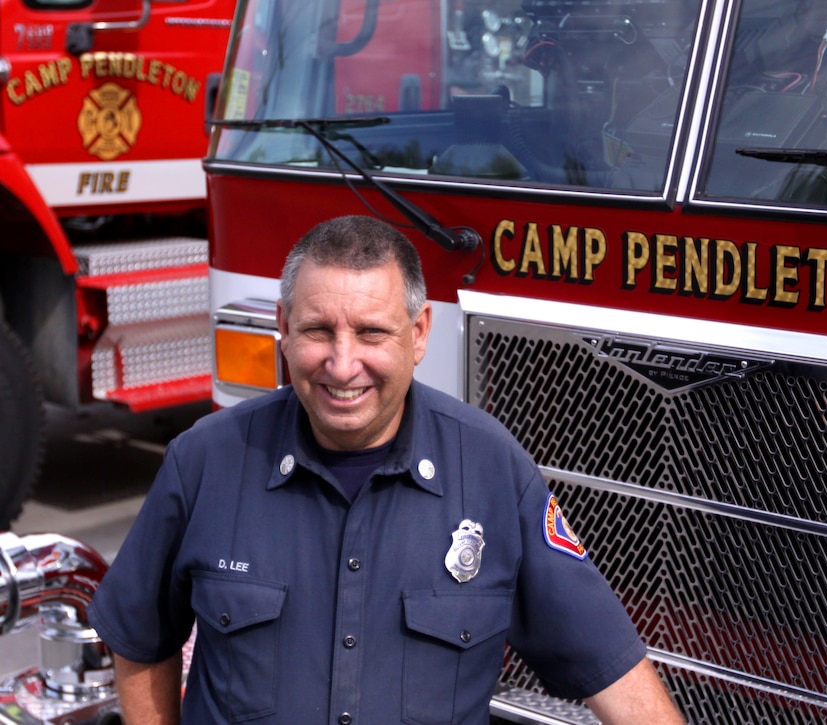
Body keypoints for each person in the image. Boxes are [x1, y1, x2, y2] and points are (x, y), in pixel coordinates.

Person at [87, 215, 686, 725]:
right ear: (283, 328)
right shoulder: (204, 462)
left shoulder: (492, 470)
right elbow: (139, 638)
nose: (342, 365)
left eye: (372, 332)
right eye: (318, 330)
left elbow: (612, 668)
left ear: (419, 332)